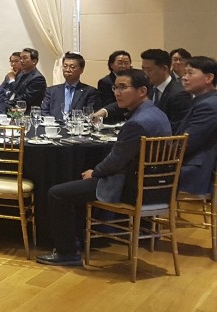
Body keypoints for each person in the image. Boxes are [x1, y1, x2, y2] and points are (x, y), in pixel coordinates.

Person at [37, 68, 171, 266]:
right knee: (76, 185)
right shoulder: (156, 113)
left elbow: (117, 160)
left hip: (131, 187)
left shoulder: (137, 123)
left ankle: (67, 252)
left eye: (123, 87)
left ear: (142, 91)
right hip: (155, 187)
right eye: (115, 88)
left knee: (57, 193)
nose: (117, 93)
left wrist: (96, 172)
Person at [95, 48, 191, 133]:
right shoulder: (149, 86)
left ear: (164, 69)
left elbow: (177, 129)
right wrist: (104, 111)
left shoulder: (179, 94)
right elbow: (130, 100)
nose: (144, 74)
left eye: (149, 70)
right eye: (143, 69)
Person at [175, 56, 217, 196]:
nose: (184, 77)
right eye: (184, 73)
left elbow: (186, 144)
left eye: (190, 73)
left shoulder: (209, 105)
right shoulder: (203, 101)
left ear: (209, 78)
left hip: (195, 171)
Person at [40, 52, 99, 120]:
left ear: (81, 70)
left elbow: (89, 114)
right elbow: (44, 112)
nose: (67, 70)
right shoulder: (51, 91)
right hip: (54, 125)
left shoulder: (89, 92)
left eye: (72, 67)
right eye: (65, 66)